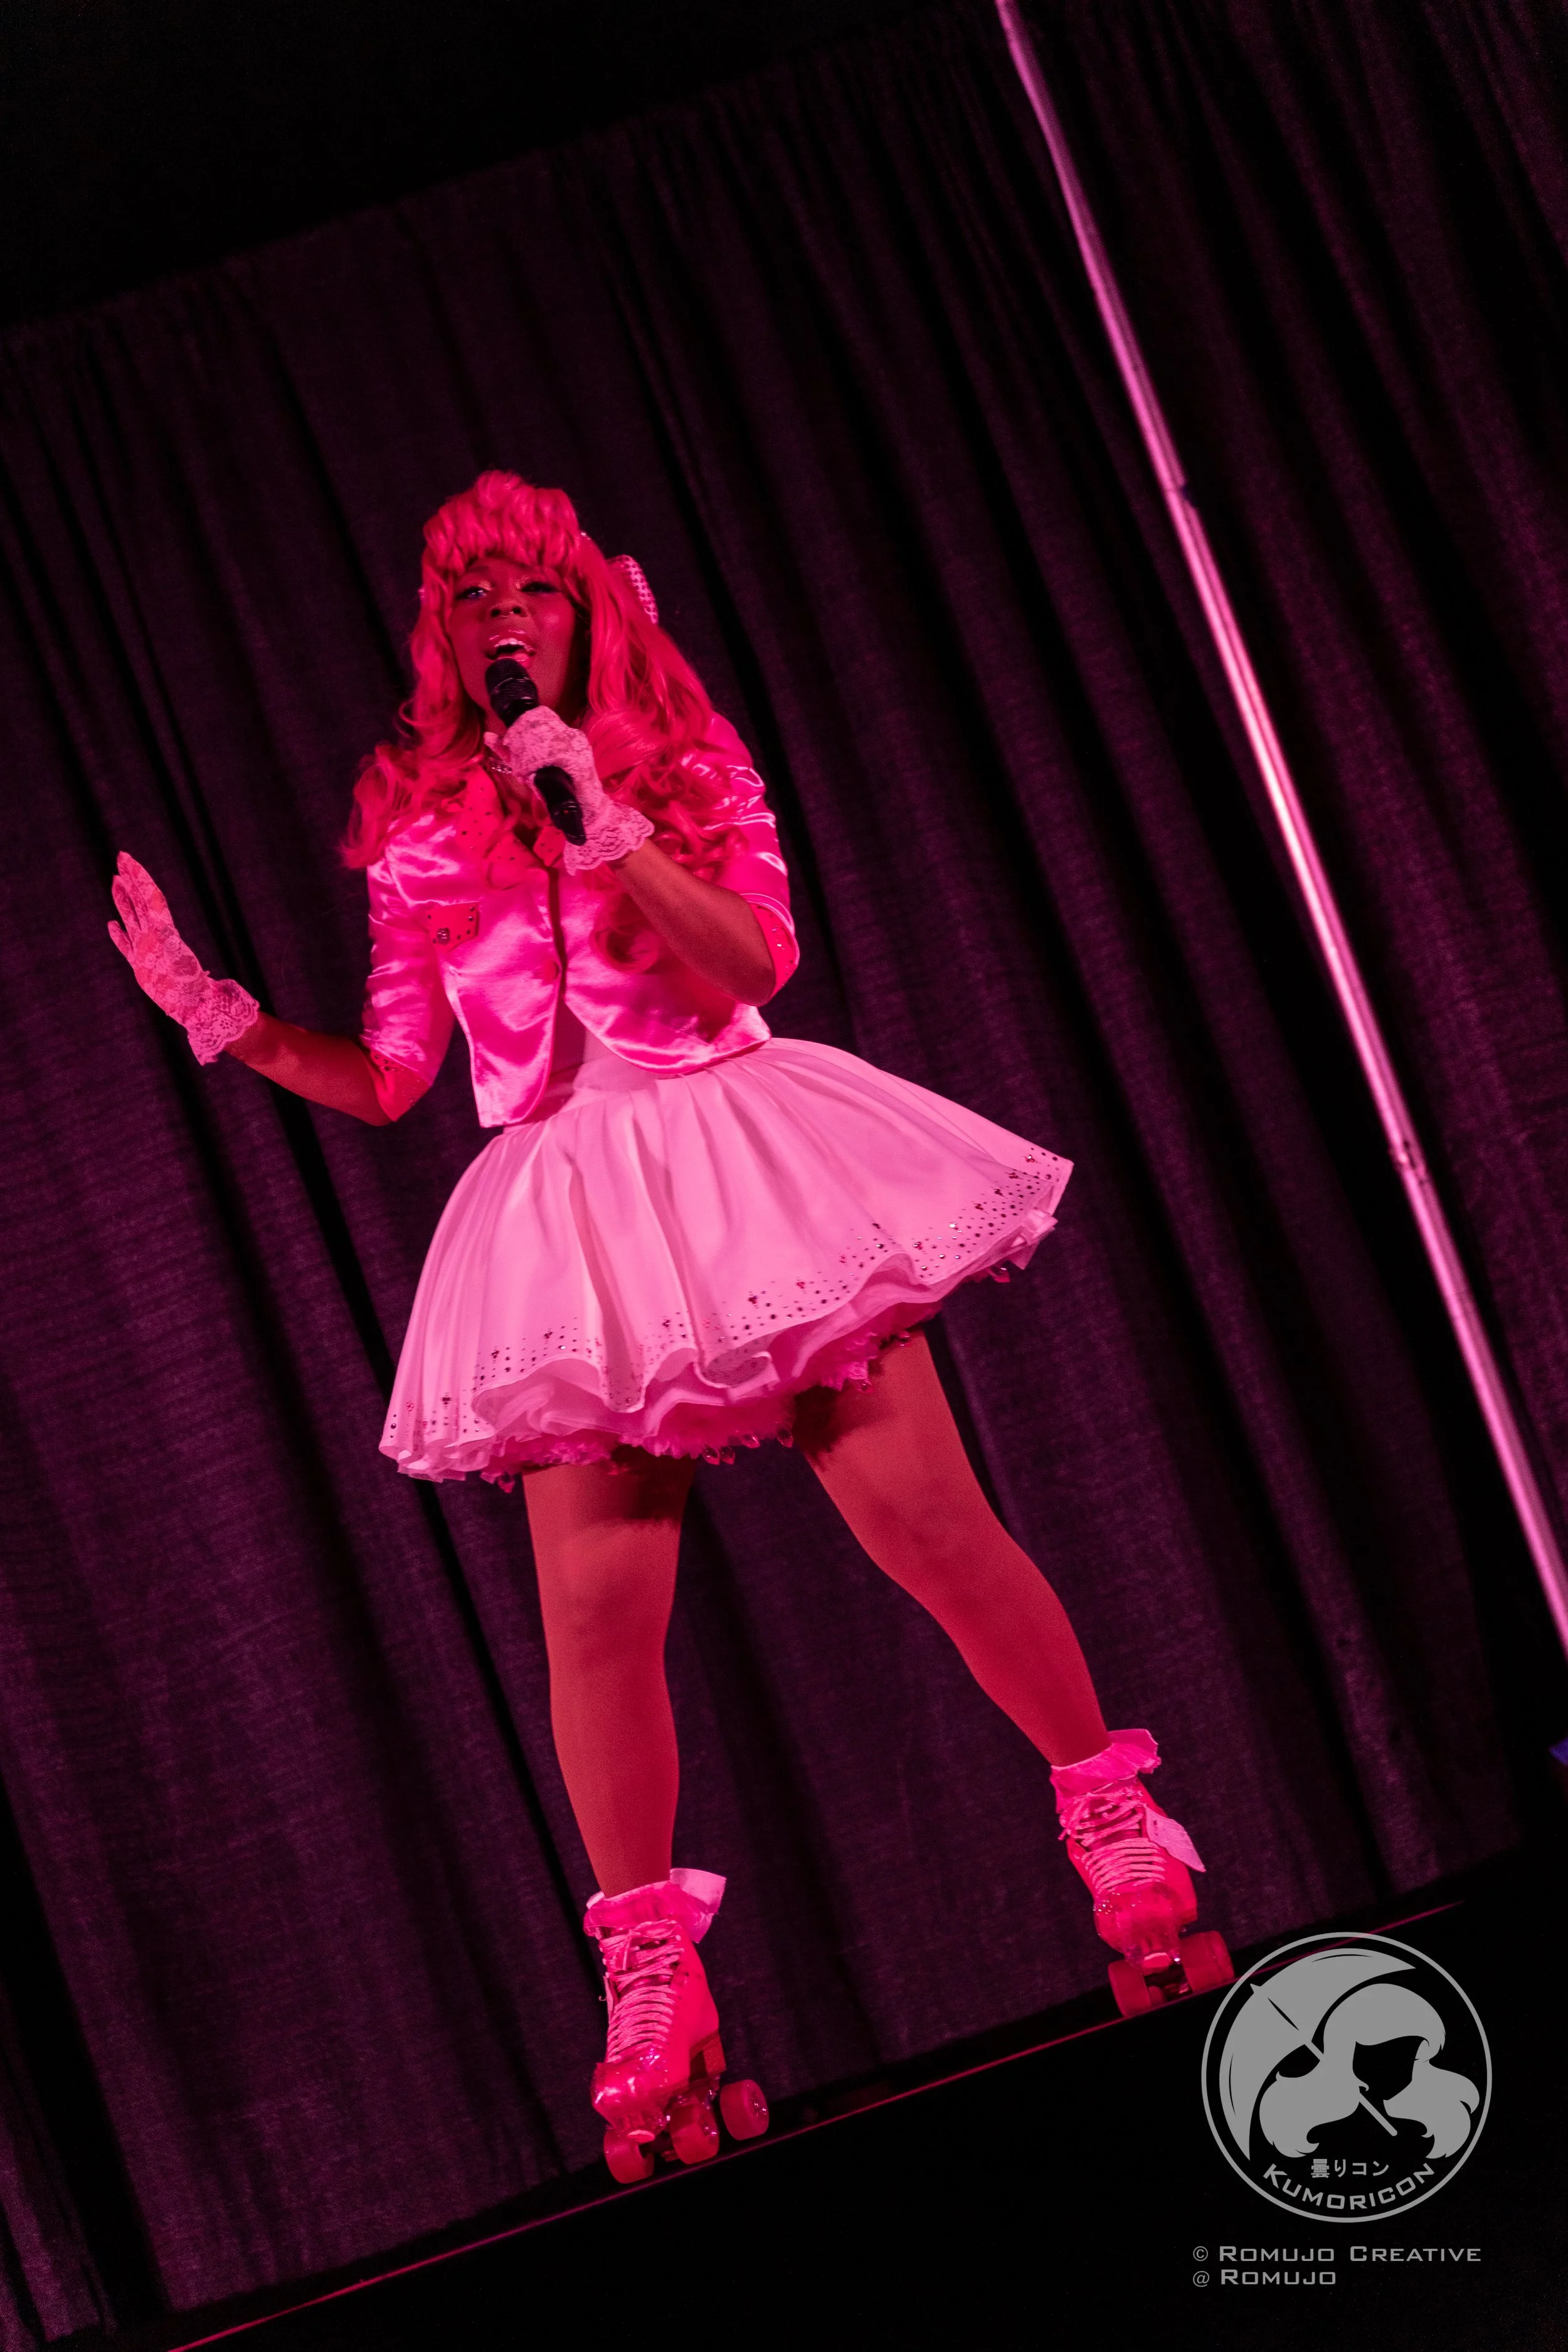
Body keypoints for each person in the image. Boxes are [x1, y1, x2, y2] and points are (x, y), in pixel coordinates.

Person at [108, 471, 1228, 2181]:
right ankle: (650, 1971)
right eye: (469, 593)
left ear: (585, 611)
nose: (501, 617)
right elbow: (399, 1073)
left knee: (923, 1519)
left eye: (531, 591)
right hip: (563, 1215)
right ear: (438, 628)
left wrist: (603, 820)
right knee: (596, 1610)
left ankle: (1110, 1813)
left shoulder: (680, 763)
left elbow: (747, 962)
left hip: (740, 1154)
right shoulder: (414, 824)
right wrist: (222, 1016)